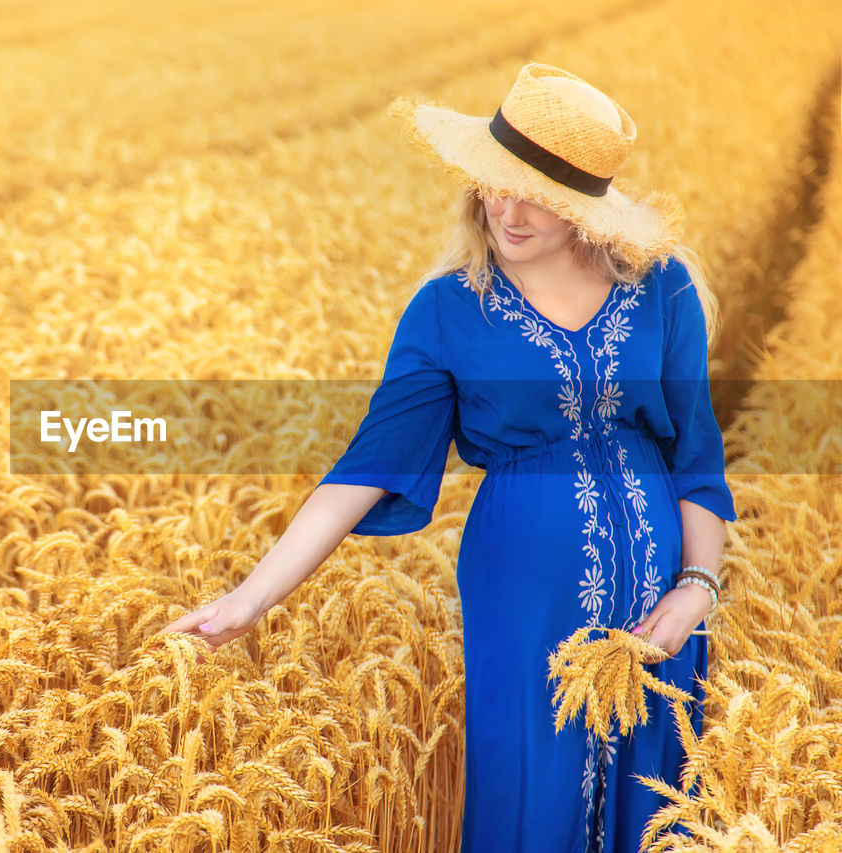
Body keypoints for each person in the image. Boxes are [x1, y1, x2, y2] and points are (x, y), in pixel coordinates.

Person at [164, 62, 735, 853]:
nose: (509, 207)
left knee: (659, 804)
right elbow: (367, 468)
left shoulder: (659, 288)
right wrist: (249, 600)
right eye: (498, 181)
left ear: (583, 208)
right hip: (522, 599)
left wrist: (696, 591)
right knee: (530, 798)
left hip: (661, 619)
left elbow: (698, 456)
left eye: (538, 192)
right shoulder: (446, 311)